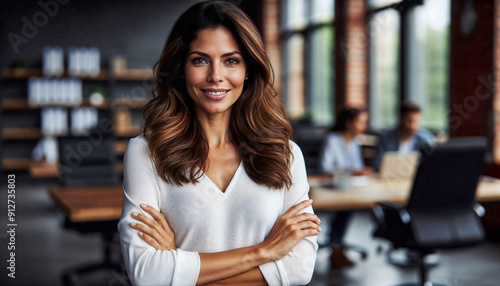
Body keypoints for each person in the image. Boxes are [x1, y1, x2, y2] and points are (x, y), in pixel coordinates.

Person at [117, 1, 320, 285]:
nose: (215, 75)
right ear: (181, 68)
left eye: (231, 60)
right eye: (200, 60)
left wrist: (179, 263)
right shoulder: (147, 153)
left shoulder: (284, 154)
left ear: (248, 69)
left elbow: (300, 269)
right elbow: (146, 274)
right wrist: (265, 251)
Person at [320, 107, 372, 268]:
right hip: (333, 187)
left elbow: (358, 166)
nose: (364, 126)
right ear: (349, 123)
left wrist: (361, 172)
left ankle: (337, 245)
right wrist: (352, 171)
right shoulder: (332, 140)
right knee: (344, 209)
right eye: (361, 122)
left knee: (349, 207)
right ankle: (336, 247)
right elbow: (326, 167)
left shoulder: (355, 142)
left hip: (349, 188)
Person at [371, 101, 435, 171]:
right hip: (390, 179)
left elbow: (429, 164)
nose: (413, 126)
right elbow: (377, 165)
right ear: (400, 119)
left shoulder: (424, 139)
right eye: (409, 121)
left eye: (416, 121)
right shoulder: (385, 138)